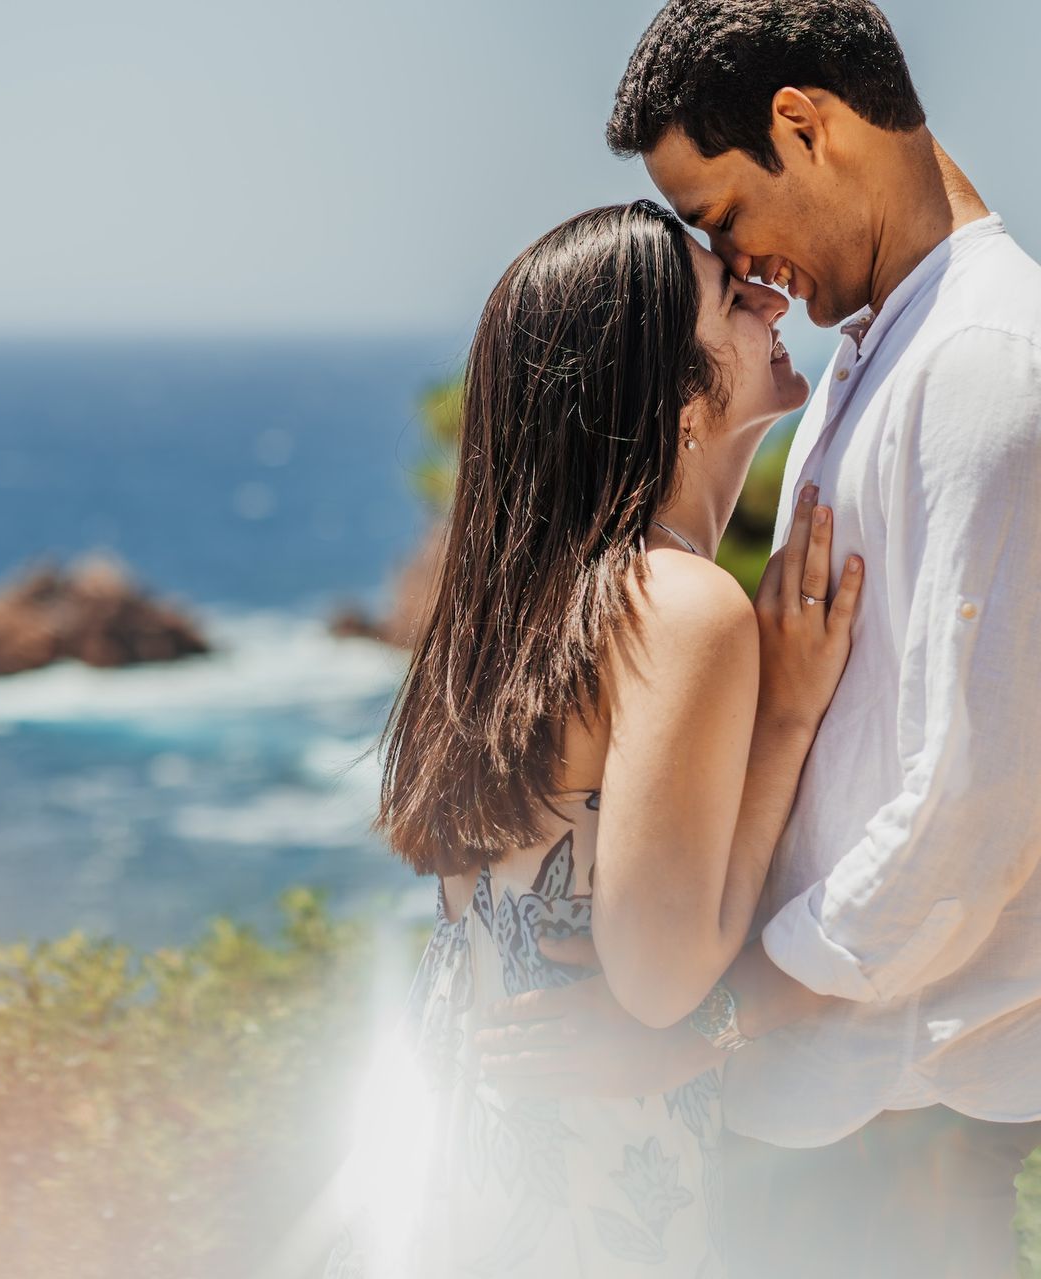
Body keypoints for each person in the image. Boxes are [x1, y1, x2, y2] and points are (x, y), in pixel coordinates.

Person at [478, 3, 1041, 1276]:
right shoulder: (876, 351)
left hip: (895, 1107)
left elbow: (965, 820)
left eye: (723, 221)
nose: (748, 271)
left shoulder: (983, 363)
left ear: (803, 124)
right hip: (833, 1100)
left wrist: (698, 1026)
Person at [325, 199, 863, 1277]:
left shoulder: (529, 610)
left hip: (461, 1165)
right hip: (577, 1190)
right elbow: (661, 980)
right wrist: (788, 720)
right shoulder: (681, 608)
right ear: (674, 398)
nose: (768, 294)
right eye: (727, 294)